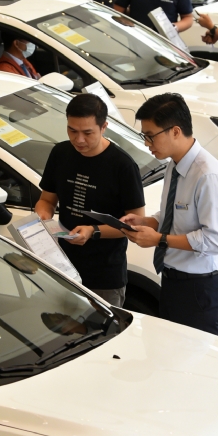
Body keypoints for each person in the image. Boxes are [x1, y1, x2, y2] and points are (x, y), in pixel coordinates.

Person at [121, 93, 218, 335]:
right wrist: (147, 221)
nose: (146, 143)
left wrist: (159, 239)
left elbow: (214, 240)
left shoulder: (207, 175)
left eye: (150, 136)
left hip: (199, 289)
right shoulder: (175, 163)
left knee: (198, 366)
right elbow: (175, 214)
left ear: (175, 131)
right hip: (173, 280)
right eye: (144, 136)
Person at [35, 93, 145, 307]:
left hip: (104, 275)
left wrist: (93, 231)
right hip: (62, 265)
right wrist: (43, 217)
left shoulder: (122, 165)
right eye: (72, 131)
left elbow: (137, 223)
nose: (79, 140)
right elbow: (47, 200)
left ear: (104, 127)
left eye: (87, 133)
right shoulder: (60, 153)